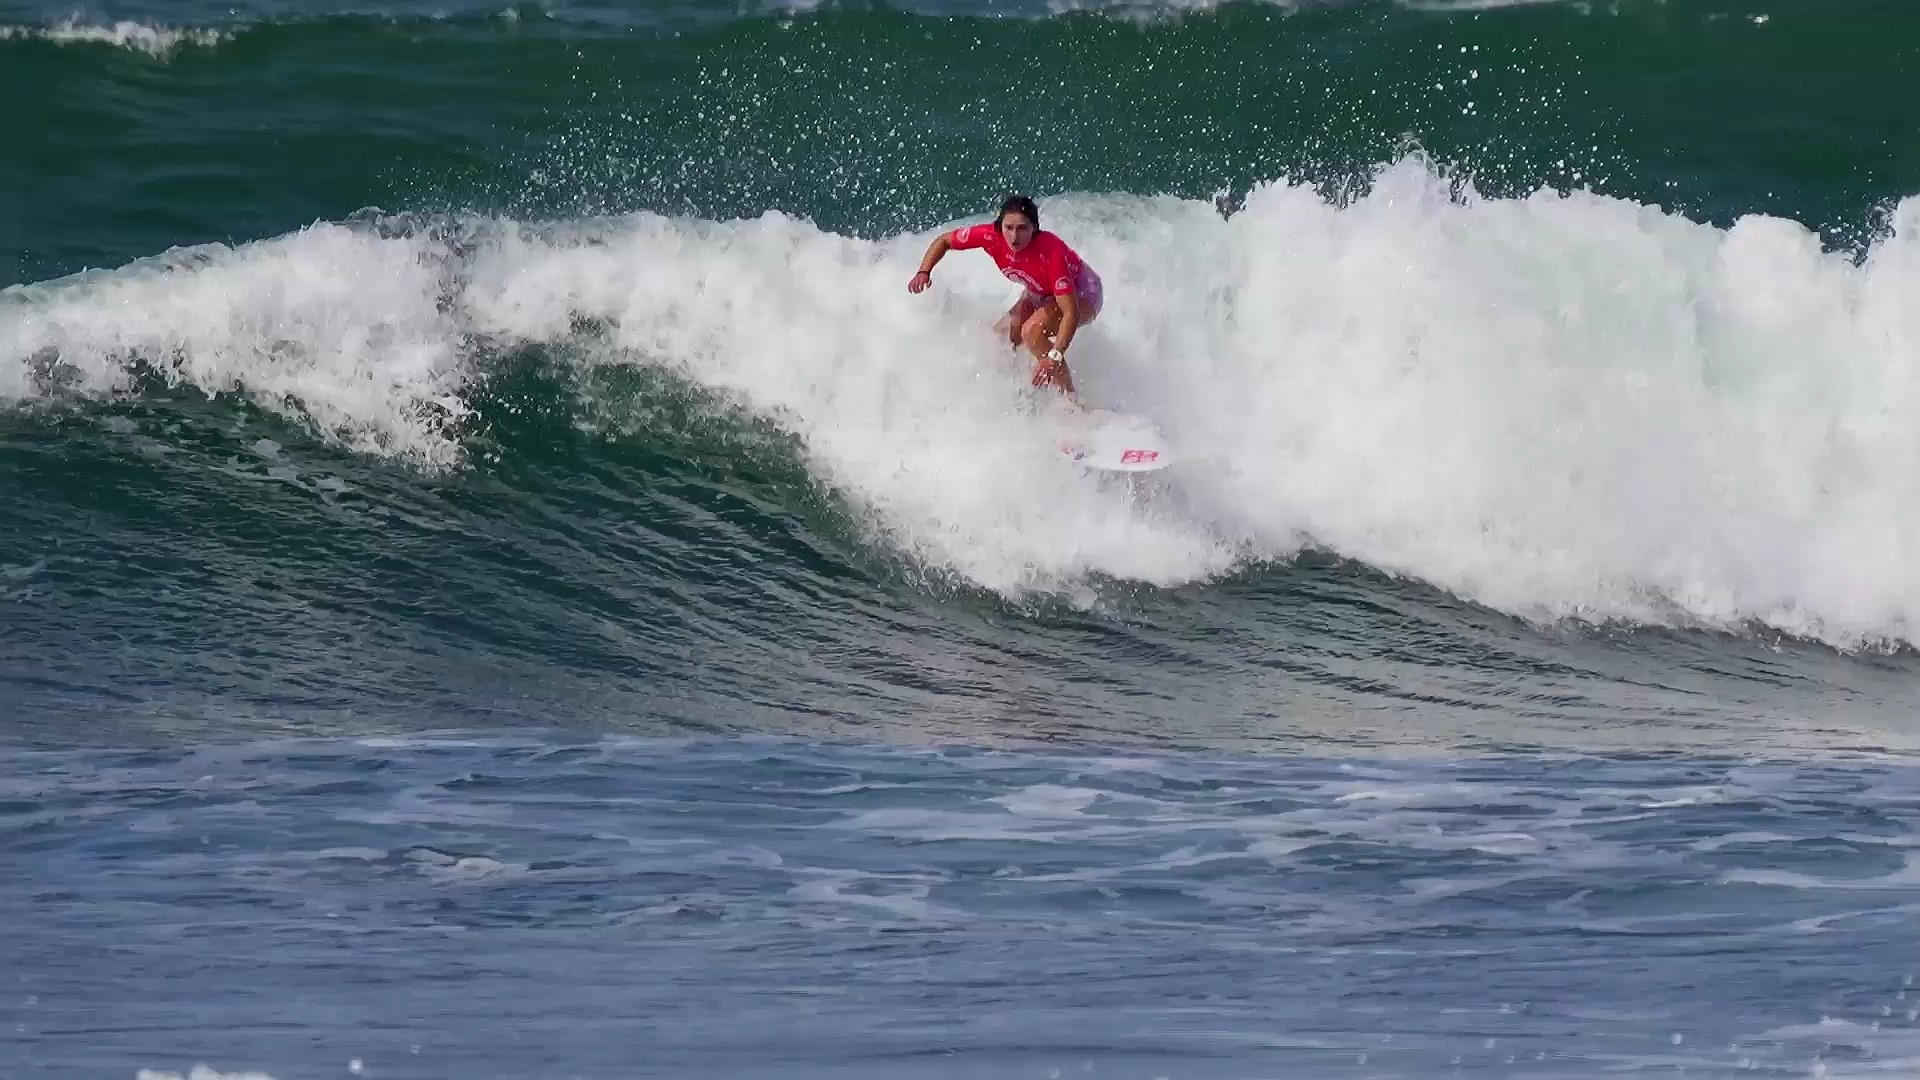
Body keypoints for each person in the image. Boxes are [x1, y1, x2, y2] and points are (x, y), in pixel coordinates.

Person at [907, 194, 1104, 398]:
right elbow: (945, 240)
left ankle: (1070, 402)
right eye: (1008, 227)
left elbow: (1070, 312)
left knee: (1032, 331)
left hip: (1083, 294)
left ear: (1034, 229)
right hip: (1040, 291)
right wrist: (924, 272)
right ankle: (1014, 392)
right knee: (999, 339)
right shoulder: (990, 236)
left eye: (1022, 228)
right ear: (1000, 226)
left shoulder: (1050, 251)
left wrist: (1054, 356)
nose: (1014, 236)